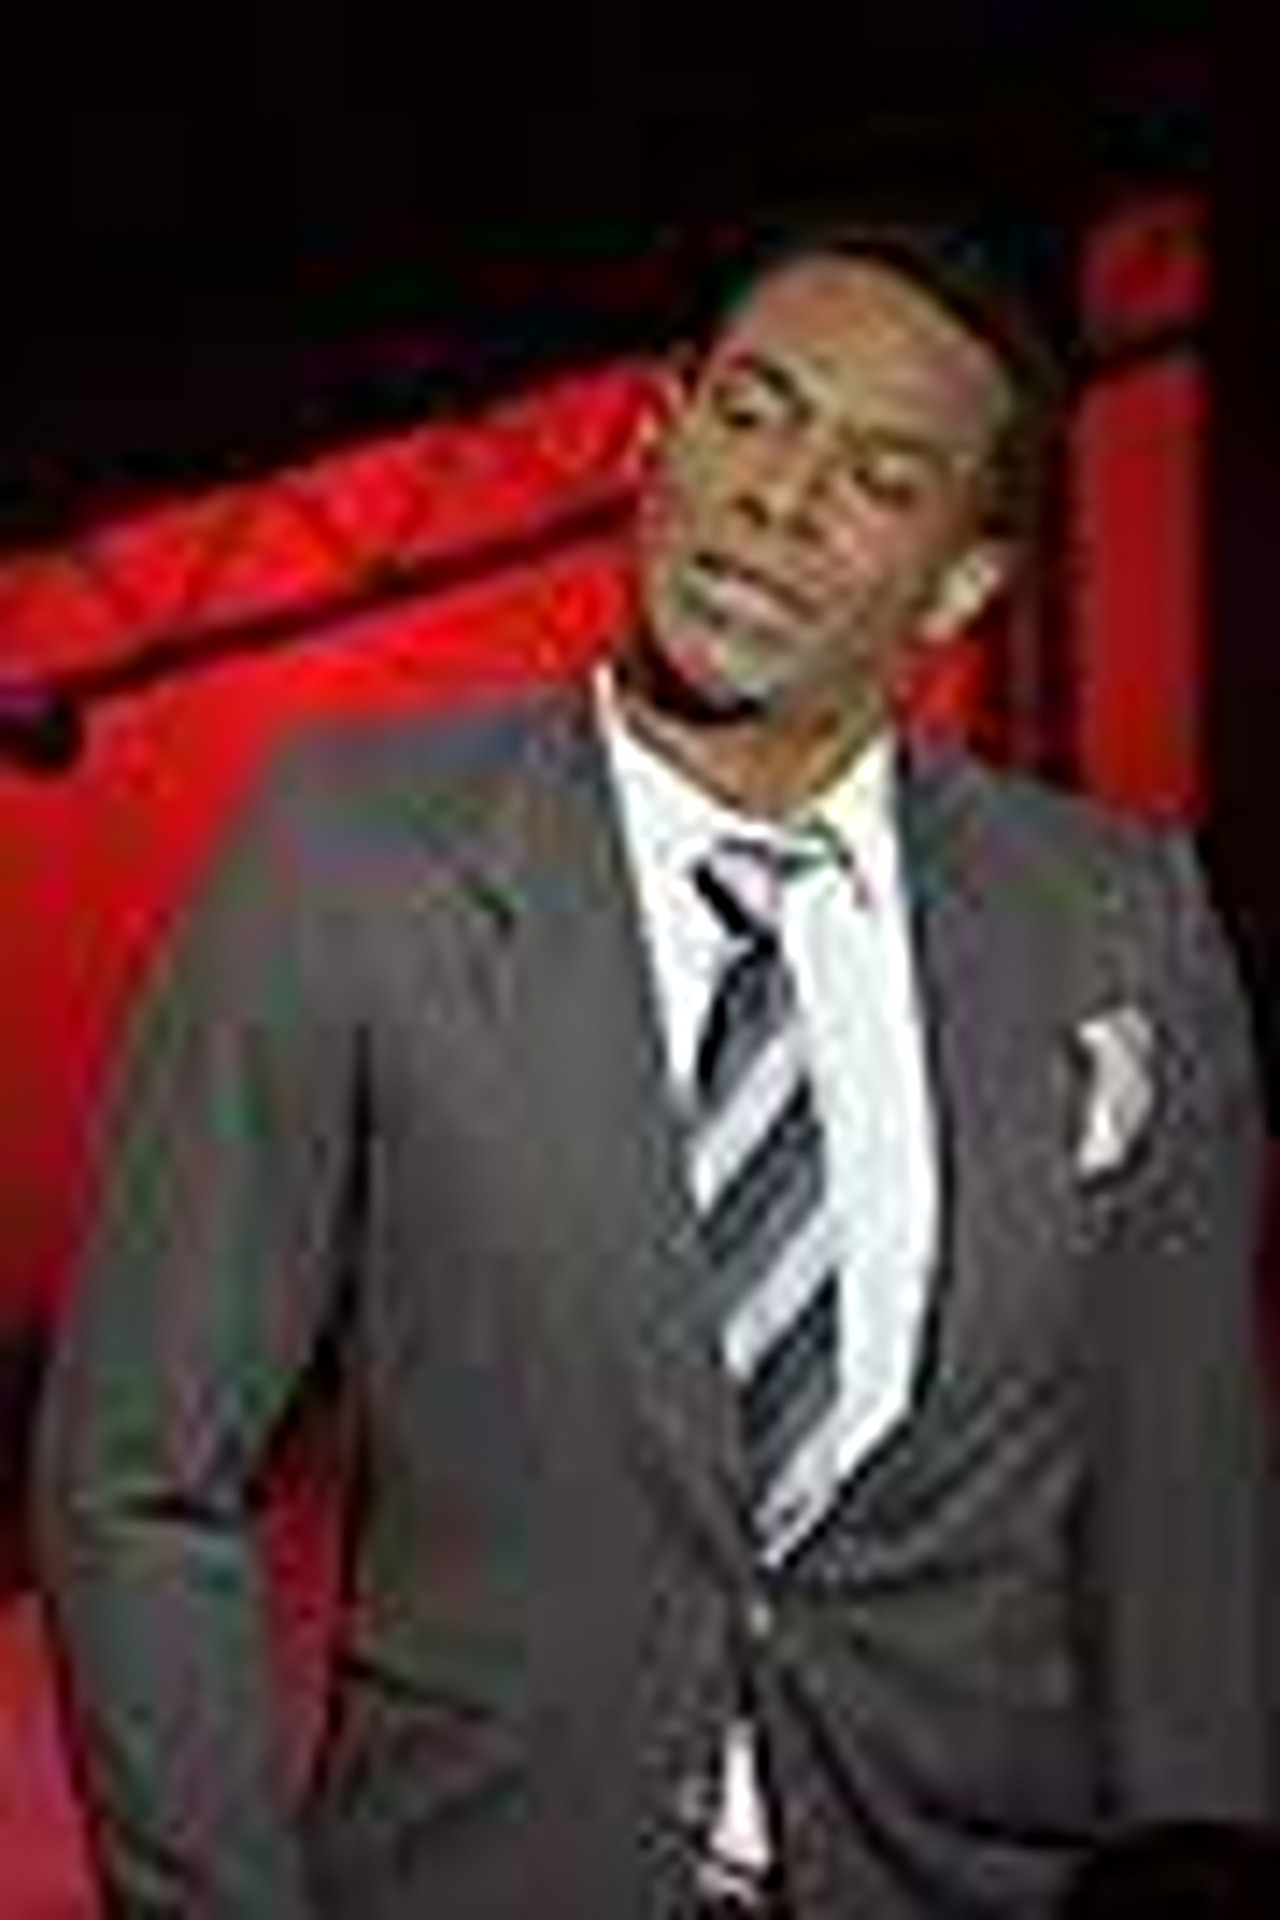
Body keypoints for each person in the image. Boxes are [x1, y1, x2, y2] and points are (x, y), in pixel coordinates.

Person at [35, 213, 1276, 1918]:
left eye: (878, 477)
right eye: (753, 416)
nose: (779, 497)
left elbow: (1182, 1484)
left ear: (965, 584)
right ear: (655, 437)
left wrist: (1204, 1862)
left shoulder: (1117, 924)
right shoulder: (356, 859)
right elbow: (139, 1470)